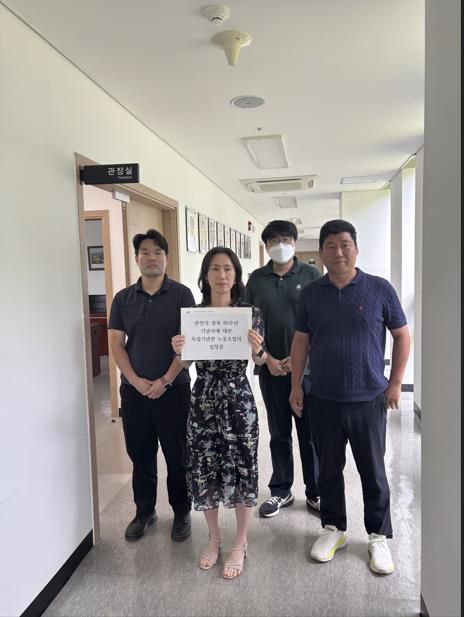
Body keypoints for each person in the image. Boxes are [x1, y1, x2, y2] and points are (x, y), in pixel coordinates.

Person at [289, 219, 410, 575]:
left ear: (356, 249)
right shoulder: (311, 294)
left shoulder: (379, 289)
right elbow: (301, 342)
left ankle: (378, 536)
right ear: (321, 253)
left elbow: (402, 336)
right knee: (327, 469)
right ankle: (334, 528)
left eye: (345, 245)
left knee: (373, 471)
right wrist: (296, 385)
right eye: (330, 246)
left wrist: (395, 383)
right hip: (323, 398)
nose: (338, 252)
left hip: (368, 399)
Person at [171, 247, 267, 580]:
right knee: (204, 466)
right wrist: (179, 351)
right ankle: (214, 537)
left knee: (243, 466)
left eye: (227, 268)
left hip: (239, 399)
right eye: (215, 268)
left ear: (236, 275)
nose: (222, 275)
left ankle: (240, 541)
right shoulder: (195, 315)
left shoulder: (250, 314)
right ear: (205, 276)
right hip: (203, 400)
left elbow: (259, 360)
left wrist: (258, 349)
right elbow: (185, 363)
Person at [108, 229, 195, 542]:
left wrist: (164, 381)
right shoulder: (123, 299)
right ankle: (144, 511)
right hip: (135, 393)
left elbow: (189, 346)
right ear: (136, 258)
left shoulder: (182, 295)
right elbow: (116, 344)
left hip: (174, 391)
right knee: (141, 455)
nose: (151, 257)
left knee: (177, 455)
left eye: (158, 252)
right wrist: (135, 381)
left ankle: (181, 511)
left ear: (166, 257)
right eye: (145, 252)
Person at [245, 220, 321, 518]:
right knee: (278, 432)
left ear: (294, 242)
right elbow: (247, 323)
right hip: (270, 369)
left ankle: (315, 492)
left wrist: (298, 359)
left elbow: (320, 322)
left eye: (286, 239)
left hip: (307, 371)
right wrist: (268, 359)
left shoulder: (311, 275)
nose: (280, 245)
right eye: (274, 240)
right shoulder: (256, 279)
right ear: (266, 246)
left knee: (310, 434)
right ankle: (281, 490)